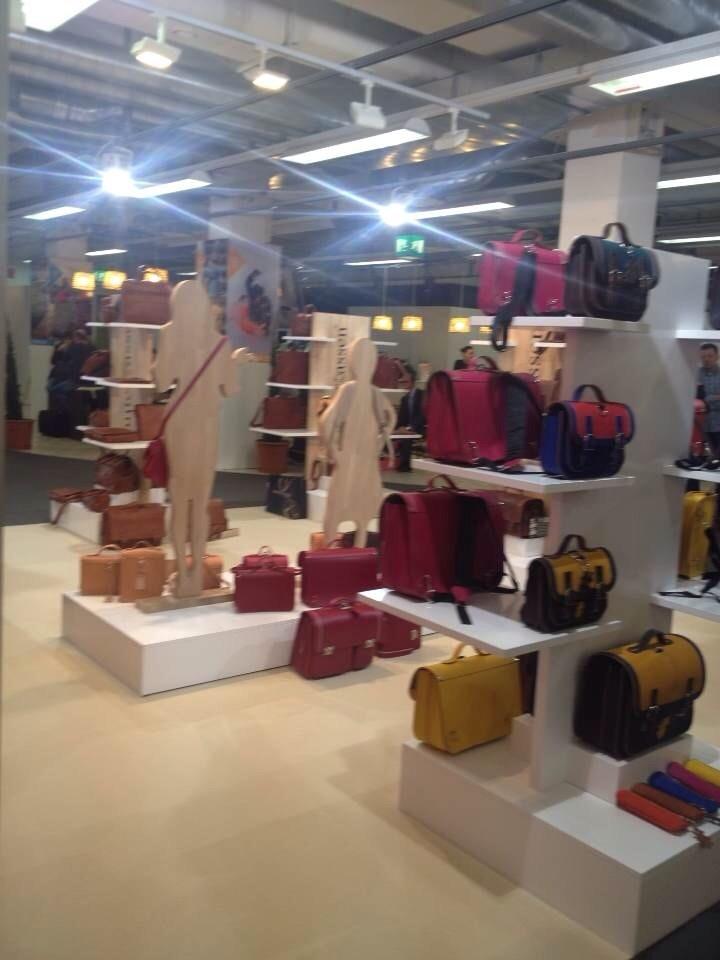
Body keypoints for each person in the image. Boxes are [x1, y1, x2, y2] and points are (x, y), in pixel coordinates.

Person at [395, 365, 425, 472]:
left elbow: (423, 414)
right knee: (395, 435)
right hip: (408, 429)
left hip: (420, 427)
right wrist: (399, 428)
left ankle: (405, 465)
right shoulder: (404, 399)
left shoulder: (422, 395)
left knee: (406, 438)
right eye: (402, 382)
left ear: (412, 381)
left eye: (405, 381)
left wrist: (410, 428)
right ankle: (400, 463)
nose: (403, 384)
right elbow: (401, 418)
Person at [698, 342, 720, 455]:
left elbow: (702, 399)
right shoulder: (696, 374)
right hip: (702, 424)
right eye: (703, 357)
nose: (706, 359)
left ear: (717, 356)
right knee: (703, 456)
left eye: (710, 356)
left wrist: (707, 399)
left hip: (718, 423)